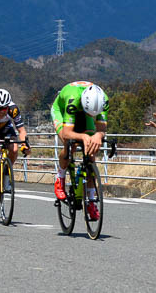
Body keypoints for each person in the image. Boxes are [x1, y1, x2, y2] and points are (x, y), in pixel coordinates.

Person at [51, 81, 108, 221]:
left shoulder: (103, 100)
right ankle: (61, 177)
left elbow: (101, 129)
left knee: (91, 151)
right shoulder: (72, 99)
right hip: (62, 109)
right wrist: (82, 136)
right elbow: (67, 132)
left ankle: (91, 200)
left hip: (86, 113)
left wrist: (98, 136)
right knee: (69, 144)